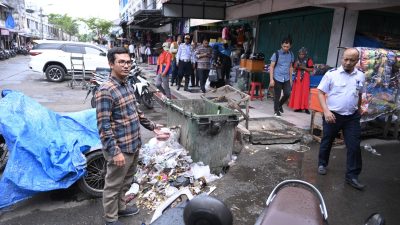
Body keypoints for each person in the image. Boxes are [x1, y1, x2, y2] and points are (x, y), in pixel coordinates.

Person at [95, 47, 162, 225]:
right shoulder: (105, 90)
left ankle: (121, 208)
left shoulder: (127, 85)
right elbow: (104, 126)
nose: (126, 65)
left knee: (126, 181)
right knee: (113, 185)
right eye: (121, 62)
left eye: (128, 61)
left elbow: (137, 113)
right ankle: (111, 218)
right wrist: (114, 151)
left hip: (133, 144)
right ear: (111, 64)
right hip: (120, 149)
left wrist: (153, 127)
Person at [317, 48, 366, 191]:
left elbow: (359, 94)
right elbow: (320, 92)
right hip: (333, 115)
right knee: (327, 140)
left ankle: (352, 176)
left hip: (352, 117)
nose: (348, 62)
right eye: (346, 59)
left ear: (357, 61)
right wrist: (326, 111)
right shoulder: (331, 74)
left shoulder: (361, 76)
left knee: (354, 146)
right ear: (341, 58)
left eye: (352, 60)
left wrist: (358, 109)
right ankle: (322, 163)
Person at [269, 37, 294, 117]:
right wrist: (271, 79)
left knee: (287, 93)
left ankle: (279, 105)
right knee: (277, 95)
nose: (285, 48)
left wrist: (290, 79)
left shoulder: (291, 54)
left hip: (286, 77)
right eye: (284, 46)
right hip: (277, 77)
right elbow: (271, 67)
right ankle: (276, 111)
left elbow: (290, 67)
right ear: (281, 45)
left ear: (290, 46)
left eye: (287, 47)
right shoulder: (276, 54)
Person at [288, 47, 314, 114]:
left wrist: (303, 68)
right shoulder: (296, 60)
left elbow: (311, 70)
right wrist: (296, 67)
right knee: (298, 92)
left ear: (305, 54)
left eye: (302, 54)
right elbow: (294, 69)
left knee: (305, 92)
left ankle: (305, 108)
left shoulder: (309, 60)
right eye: (300, 54)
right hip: (298, 78)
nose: (301, 55)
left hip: (305, 78)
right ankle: (298, 107)